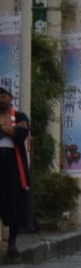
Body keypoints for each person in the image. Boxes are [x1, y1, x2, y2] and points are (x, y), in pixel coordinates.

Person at [0, 87, 31, 258]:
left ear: (10, 98)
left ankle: (12, 242)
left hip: (13, 163)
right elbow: (14, 131)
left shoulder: (19, 116)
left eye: (4, 96)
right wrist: (9, 129)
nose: (1, 100)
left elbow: (20, 133)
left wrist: (6, 128)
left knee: (14, 203)